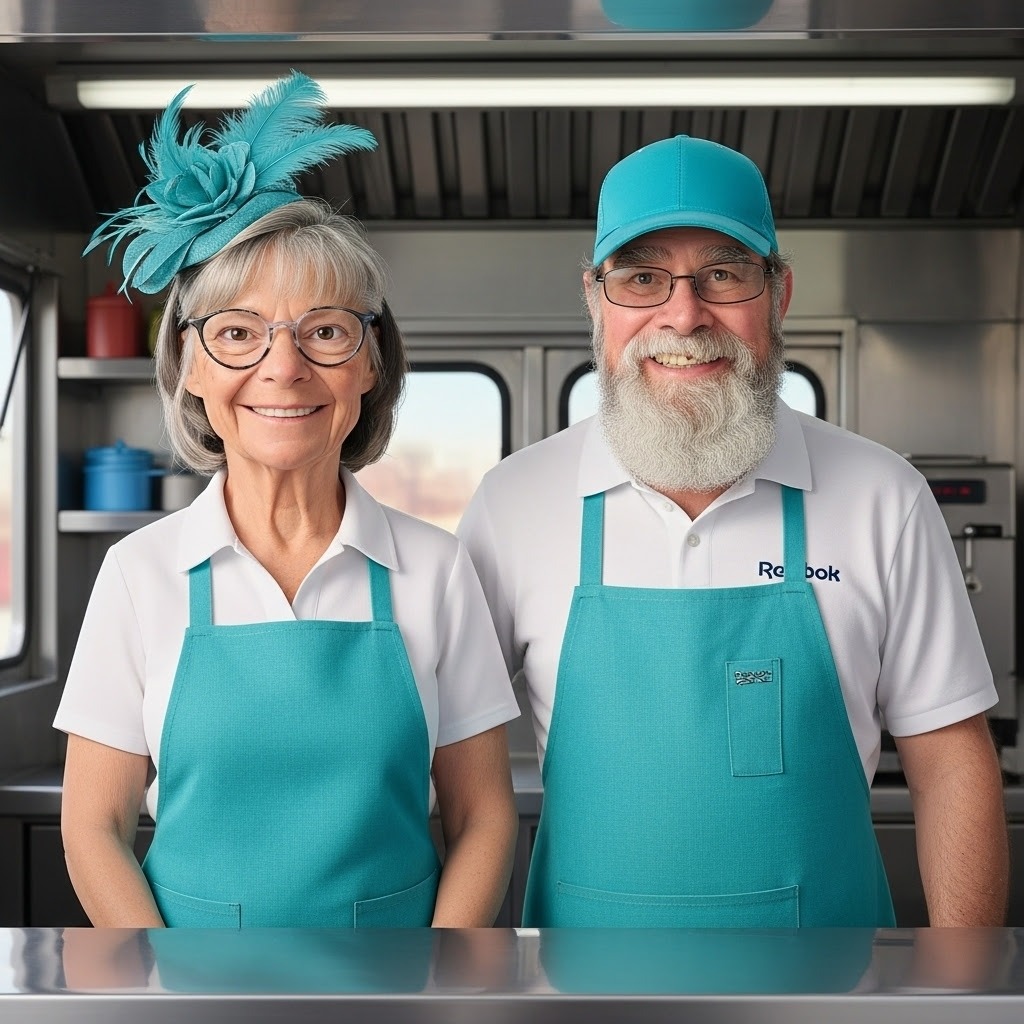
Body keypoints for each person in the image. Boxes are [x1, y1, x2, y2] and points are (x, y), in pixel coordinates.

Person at [458, 134, 1009, 928]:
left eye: (723, 274)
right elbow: (451, 765)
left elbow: (952, 761)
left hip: (832, 978)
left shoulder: (884, 497)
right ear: (596, 300)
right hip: (580, 980)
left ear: (778, 294)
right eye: (642, 278)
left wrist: (963, 980)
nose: (684, 316)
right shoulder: (514, 502)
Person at [54, 72, 519, 928]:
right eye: (237, 333)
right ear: (190, 367)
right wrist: (162, 980)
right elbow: (93, 827)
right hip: (188, 984)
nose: (283, 368)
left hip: (398, 981)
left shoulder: (436, 569)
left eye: (326, 331)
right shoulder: (139, 574)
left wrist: (439, 974)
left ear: (371, 364)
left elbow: (484, 817)